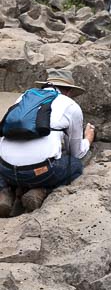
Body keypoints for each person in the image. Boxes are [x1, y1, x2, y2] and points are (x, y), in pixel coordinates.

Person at [0, 68, 95, 217]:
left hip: (4, 169)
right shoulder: (70, 105)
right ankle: (41, 190)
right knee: (75, 165)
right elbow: (76, 152)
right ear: (69, 91)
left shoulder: (24, 97)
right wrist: (88, 139)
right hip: (39, 173)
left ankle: (5, 192)